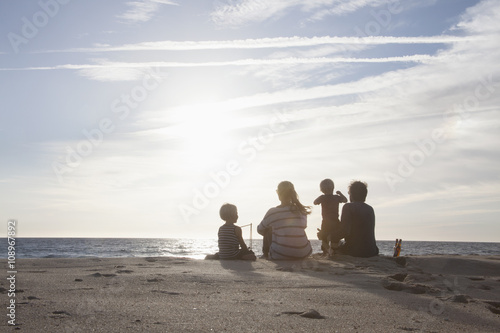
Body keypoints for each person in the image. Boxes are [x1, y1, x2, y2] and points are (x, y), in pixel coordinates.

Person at [257, 181, 312, 260]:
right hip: (304, 253)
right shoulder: (301, 210)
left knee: (267, 228)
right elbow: (304, 226)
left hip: (280, 254)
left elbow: (260, 229)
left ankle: (265, 254)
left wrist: (275, 232)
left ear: (278, 193)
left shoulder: (273, 212)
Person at [337, 180, 379, 258]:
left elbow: (344, 232)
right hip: (372, 251)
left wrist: (329, 236)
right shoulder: (370, 209)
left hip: (354, 251)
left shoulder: (348, 207)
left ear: (351, 195)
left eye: (349, 193)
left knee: (336, 244)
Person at [313, 179, 347, 255]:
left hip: (325, 221)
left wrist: (321, 198)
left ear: (321, 189)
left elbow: (315, 202)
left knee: (324, 237)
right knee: (335, 237)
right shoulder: (336, 197)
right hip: (335, 220)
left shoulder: (322, 197)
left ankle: (326, 251)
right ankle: (334, 250)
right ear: (333, 188)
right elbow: (345, 200)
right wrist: (340, 193)